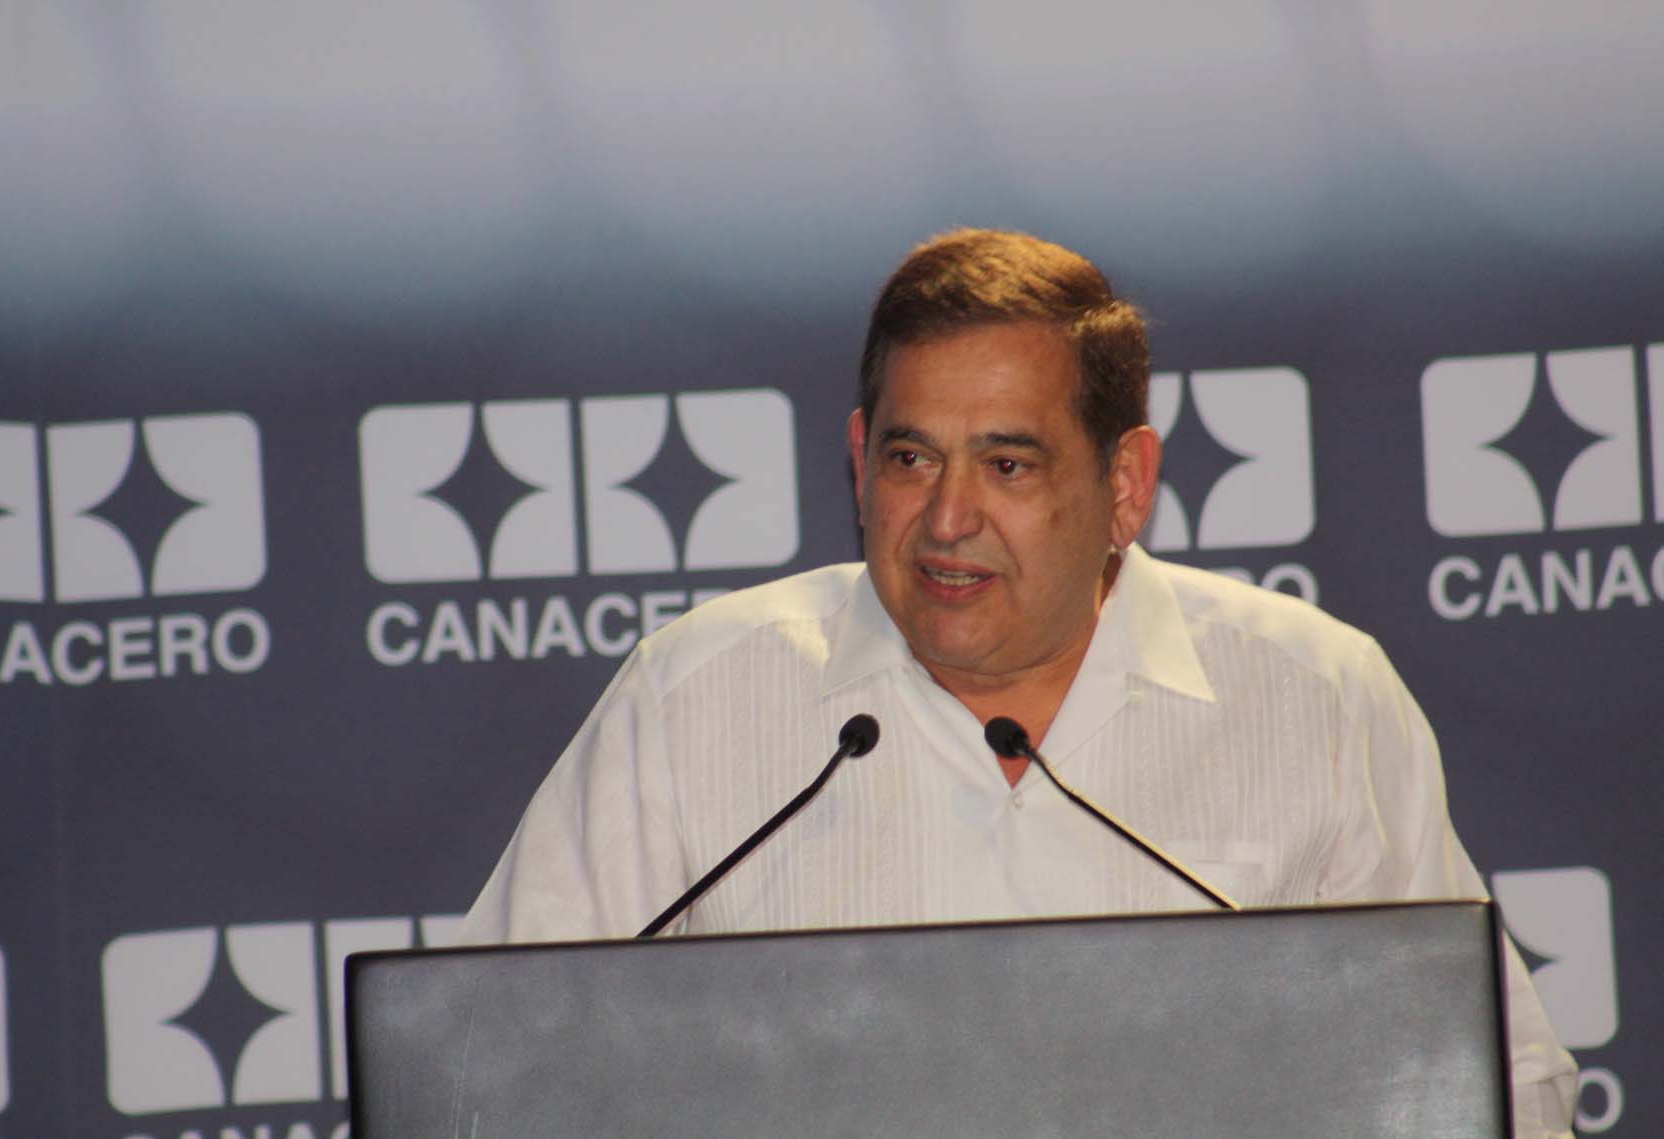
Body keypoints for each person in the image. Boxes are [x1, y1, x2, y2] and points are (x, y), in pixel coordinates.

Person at [459, 229, 1578, 1134]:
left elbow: (1497, 1085)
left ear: (1124, 481)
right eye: (910, 458)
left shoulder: (1312, 697)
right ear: (858, 459)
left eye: (1006, 463)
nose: (947, 518)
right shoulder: (695, 697)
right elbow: (482, 1070)